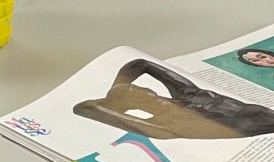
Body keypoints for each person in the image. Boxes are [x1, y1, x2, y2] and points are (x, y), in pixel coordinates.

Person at [73, 58, 274, 140]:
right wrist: (112, 104)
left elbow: (140, 64)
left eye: (135, 87)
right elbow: (83, 108)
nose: (139, 90)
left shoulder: (186, 92)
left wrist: (117, 87)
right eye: (134, 95)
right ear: (135, 106)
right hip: (257, 127)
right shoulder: (166, 125)